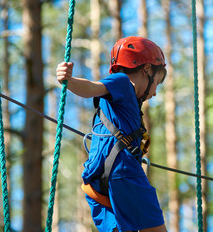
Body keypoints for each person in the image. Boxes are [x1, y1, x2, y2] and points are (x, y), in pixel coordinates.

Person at [56, 36, 168, 232]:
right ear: (147, 70)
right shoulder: (123, 82)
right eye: (157, 83)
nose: (155, 93)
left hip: (95, 182)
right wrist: (69, 80)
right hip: (124, 172)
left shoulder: (123, 100)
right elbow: (91, 88)